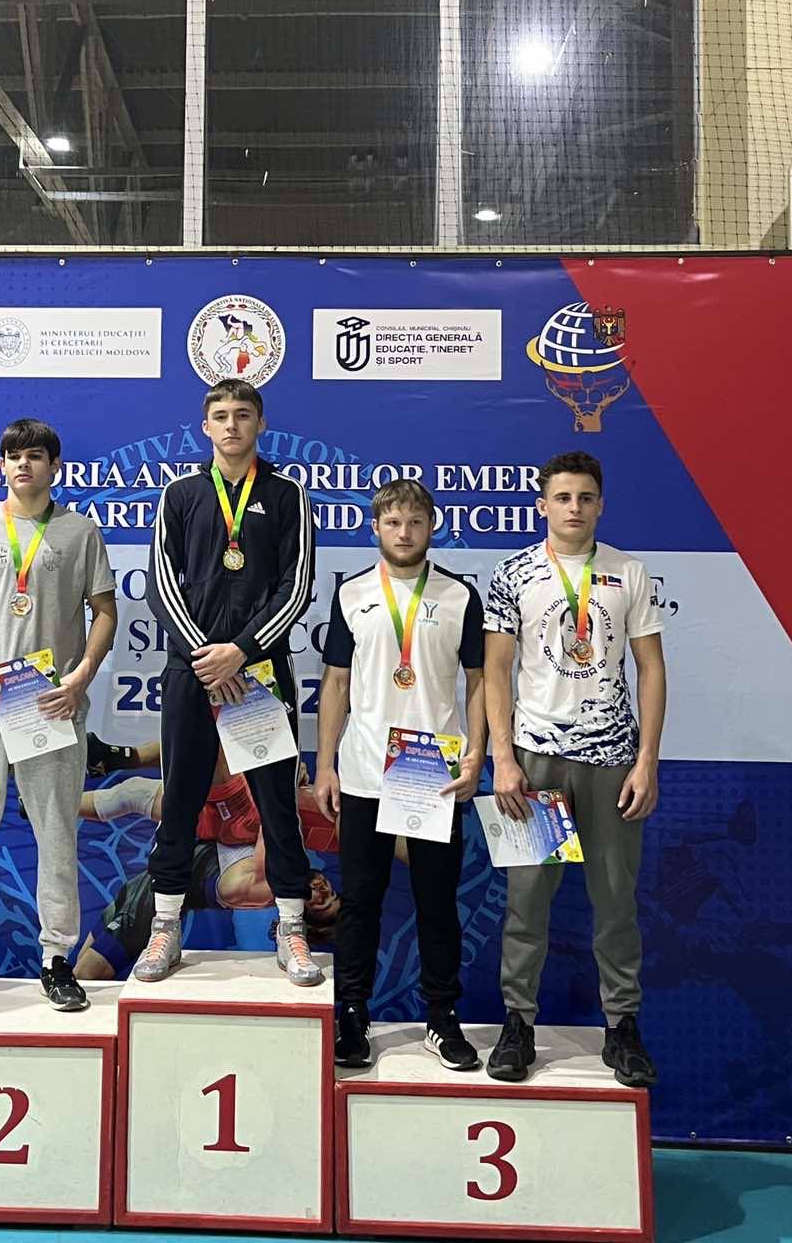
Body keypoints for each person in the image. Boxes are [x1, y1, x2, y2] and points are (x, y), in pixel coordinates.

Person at [483, 450, 666, 1087]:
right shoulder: (513, 574)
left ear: (601, 505)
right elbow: (496, 670)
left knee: (615, 901)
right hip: (534, 762)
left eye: (585, 497)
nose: (574, 508)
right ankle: (517, 1024)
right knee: (527, 901)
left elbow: (651, 669)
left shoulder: (629, 572)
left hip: (613, 763)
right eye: (562, 497)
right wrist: (502, 757)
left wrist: (647, 761)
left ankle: (623, 1026)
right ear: (542, 505)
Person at [134, 378, 319, 984]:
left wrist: (240, 652)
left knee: (278, 805)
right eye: (221, 415)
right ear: (205, 426)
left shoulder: (288, 494)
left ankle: (292, 928)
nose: (232, 424)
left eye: (243, 414)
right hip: (192, 673)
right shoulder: (180, 494)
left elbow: (296, 587)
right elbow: (162, 583)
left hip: (260, 672)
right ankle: (165, 926)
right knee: (180, 802)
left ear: (260, 424)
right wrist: (206, 658)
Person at [0, 418, 117, 1014]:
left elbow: (105, 612)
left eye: (35, 456)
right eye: (13, 456)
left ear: (54, 466)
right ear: (2, 465)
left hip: (48, 703)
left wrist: (81, 676)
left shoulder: (80, 531)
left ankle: (56, 959)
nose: (23, 465)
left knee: (56, 832)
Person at [316, 478, 487, 1069]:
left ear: (431, 526)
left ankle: (442, 1017)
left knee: (437, 901)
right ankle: (352, 1015)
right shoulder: (352, 594)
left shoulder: (460, 596)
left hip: (432, 769)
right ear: (376, 529)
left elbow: (480, 682)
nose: (405, 533)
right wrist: (325, 765)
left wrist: (476, 753)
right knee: (359, 901)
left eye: (415, 522)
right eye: (393, 523)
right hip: (364, 769)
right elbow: (336, 682)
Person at [75, 765, 340, 980]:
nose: (324, 890)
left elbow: (273, 818)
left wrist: (284, 777)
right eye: (332, 894)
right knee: (136, 790)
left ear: (303, 915)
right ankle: (57, 801)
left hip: (151, 900)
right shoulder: (291, 862)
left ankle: (116, 761)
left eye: (321, 903)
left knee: (86, 974)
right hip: (201, 838)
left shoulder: (266, 886)